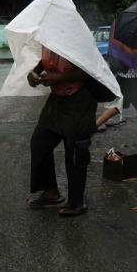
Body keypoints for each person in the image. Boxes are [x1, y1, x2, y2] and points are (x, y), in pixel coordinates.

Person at [27, 46, 97, 217]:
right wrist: (34, 73)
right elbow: (45, 62)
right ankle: (51, 192)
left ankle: (76, 202)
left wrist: (58, 77)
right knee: (39, 143)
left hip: (80, 100)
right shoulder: (49, 40)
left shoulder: (77, 39)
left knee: (75, 152)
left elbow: (89, 71)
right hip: (57, 100)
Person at [95, 66, 137, 150]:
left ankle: (91, 128)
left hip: (121, 78)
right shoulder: (135, 56)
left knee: (117, 107)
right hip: (135, 81)